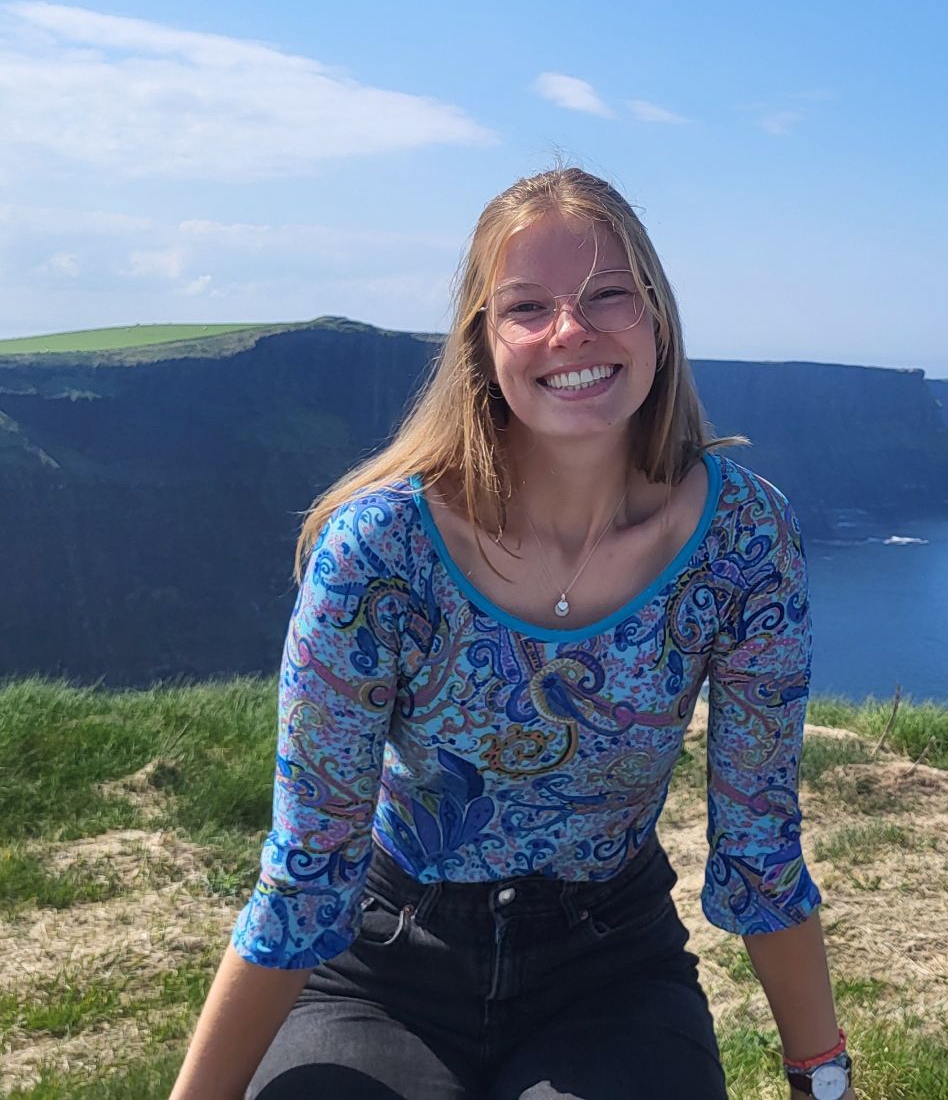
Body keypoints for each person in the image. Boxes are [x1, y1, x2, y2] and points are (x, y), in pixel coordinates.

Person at [169, 166, 854, 1100]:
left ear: (657, 319)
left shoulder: (742, 539)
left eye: (607, 294)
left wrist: (821, 1076)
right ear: (482, 343)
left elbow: (760, 843)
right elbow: (307, 869)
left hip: (611, 966)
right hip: (381, 963)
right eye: (527, 306)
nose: (570, 331)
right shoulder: (381, 549)